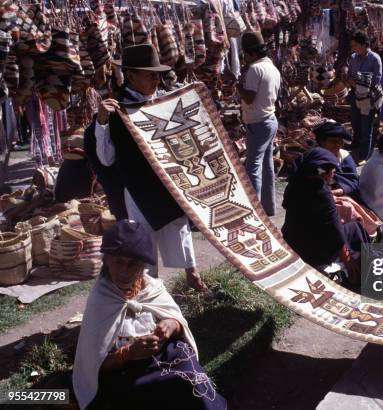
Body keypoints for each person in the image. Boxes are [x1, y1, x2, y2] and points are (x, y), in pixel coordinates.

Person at [73, 220, 226, 410]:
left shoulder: (151, 289)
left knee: (190, 378)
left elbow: (176, 321)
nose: (124, 271)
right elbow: (92, 365)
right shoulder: (101, 300)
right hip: (126, 369)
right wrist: (128, 353)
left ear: (143, 265)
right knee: (141, 395)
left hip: (164, 355)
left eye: (133, 264)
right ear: (107, 260)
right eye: (118, 261)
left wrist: (171, 325)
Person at [93, 44, 207, 292]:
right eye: (150, 74)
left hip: (169, 182)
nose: (156, 79)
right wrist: (101, 122)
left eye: (158, 74)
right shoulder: (115, 110)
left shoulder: (164, 102)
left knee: (178, 225)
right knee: (143, 236)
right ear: (131, 75)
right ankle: (145, 286)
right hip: (138, 189)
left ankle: (192, 275)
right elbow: (106, 159)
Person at [281, 148, 368, 284]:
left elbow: (288, 206)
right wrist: (347, 260)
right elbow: (335, 229)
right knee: (356, 227)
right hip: (314, 252)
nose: (333, 176)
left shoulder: (295, 183)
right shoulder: (321, 192)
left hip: (293, 241)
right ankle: (363, 271)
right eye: (332, 172)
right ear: (323, 173)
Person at [238, 31, 281, 215]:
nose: (245, 58)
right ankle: (268, 207)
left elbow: (249, 98)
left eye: (246, 55)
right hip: (269, 120)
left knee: (253, 166)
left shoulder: (255, 69)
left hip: (259, 123)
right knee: (266, 165)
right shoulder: (271, 67)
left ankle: (254, 211)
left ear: (252, 53)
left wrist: (236, 85)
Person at [347, 31, 383, 163]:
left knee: (366, 128)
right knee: (356, 125)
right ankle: (358, 150)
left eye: (355, 45)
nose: (353, 48)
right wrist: (353, 81)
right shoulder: (353, 58)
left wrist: (359, 82)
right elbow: (350, 76)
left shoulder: (375, 59)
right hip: (355, 96)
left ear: (364, 45)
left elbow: (376, 80)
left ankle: (364, 157)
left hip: (369, 98)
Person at [313, 121, 360, 200]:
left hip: (342, 195)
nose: (338, 144)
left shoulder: (344, 156)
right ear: (322, 142)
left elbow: (353, 181)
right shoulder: (312, 158)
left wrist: (341, 190)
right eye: (333, 141)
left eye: (341, 141)